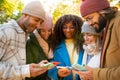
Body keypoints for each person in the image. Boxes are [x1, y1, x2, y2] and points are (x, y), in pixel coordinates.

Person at [0, 1, 50, 80]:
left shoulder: (26, 35)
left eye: (40, 22)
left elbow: (16, 65)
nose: (38, 26)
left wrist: (36, 66)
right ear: (25, 15)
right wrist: (26, 71)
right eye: (36, 20)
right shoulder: (4, 31)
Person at [77, 0, 120, 80]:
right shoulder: (109, 25)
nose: (89, 23)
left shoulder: (118, 23)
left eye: (90, 18)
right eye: (86, 20)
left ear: (102, 11)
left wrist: (96, 74)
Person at [48, 14, 84, 80]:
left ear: (78, 28)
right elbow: (50, 66)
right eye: (65, 27)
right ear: (60, 29)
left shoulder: (84, 44)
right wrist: (57, 73)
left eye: (72, 27)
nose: (68, 30)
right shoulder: (55, 45)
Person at [26, 13, 53, 80]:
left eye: (49, 30)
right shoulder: (29, 43)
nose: (47, 34)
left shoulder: (52, 41)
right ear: (38, 29)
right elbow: (28, 71)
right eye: (43, 30)